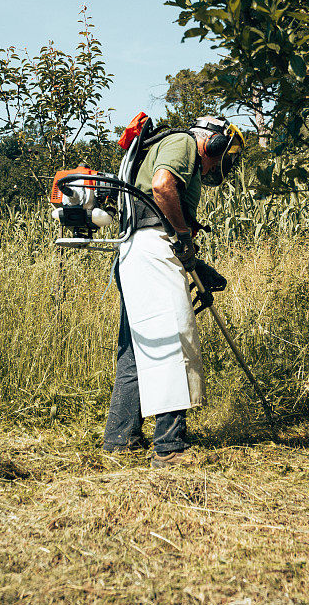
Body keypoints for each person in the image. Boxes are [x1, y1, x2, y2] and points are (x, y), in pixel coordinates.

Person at [103, 116, 244, 467]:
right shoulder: (183, 143)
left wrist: (195, 262)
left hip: (135, 252)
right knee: (175, 340)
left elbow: (165, 214)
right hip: (154, 249)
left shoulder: (162, 145)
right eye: (222, 154)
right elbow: (162, 187)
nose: (216, 164)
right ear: (213, 143)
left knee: (138, 346)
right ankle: (170, 446)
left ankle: (121, 439)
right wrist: (183, 238)